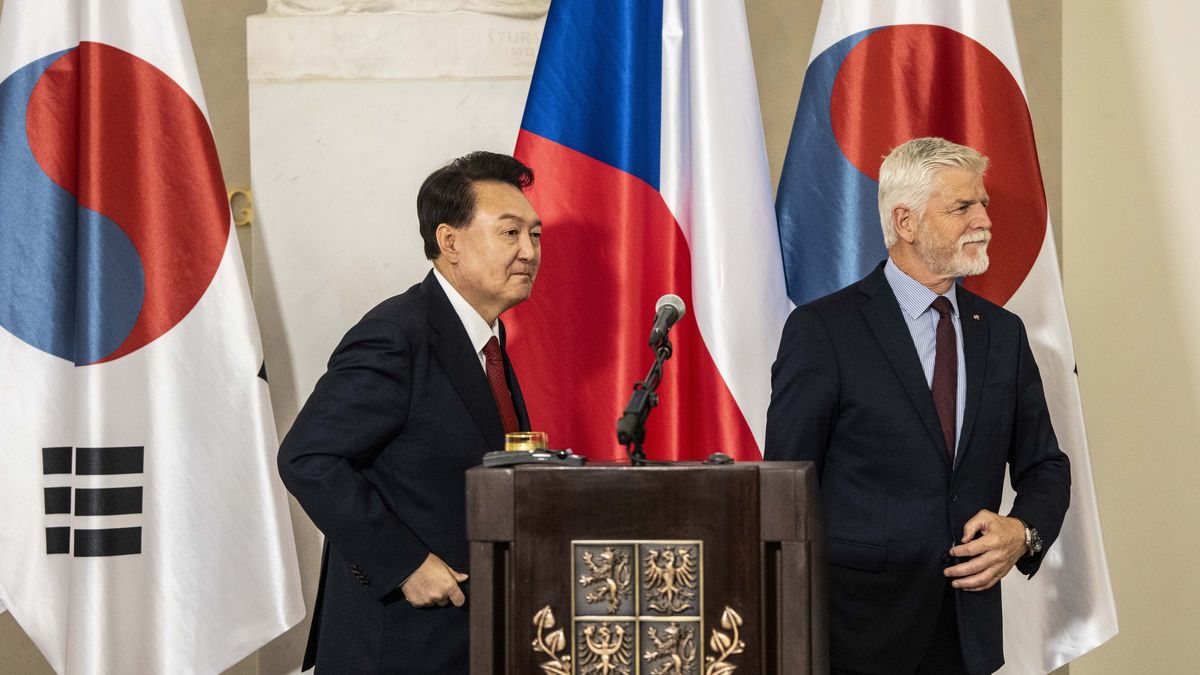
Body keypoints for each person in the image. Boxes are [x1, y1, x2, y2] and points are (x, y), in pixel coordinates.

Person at [765, 137, 1071, 674]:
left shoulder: (1003, 334)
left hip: (964, 635)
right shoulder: (823, 331)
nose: (984, 219)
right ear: (905, 223)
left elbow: (1046, 465)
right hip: (850, 637)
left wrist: (1022, 532)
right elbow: (786, 485)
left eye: (983, 204)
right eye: (962, 207)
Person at [278, 151, 541, 673]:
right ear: (450, 243)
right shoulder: (398, 333)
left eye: (535, 235)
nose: (529, 252)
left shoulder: (488, 341)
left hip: (469, 638)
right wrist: (405, 564)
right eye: (510, 233)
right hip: (400, 642)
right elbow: (308, 456)